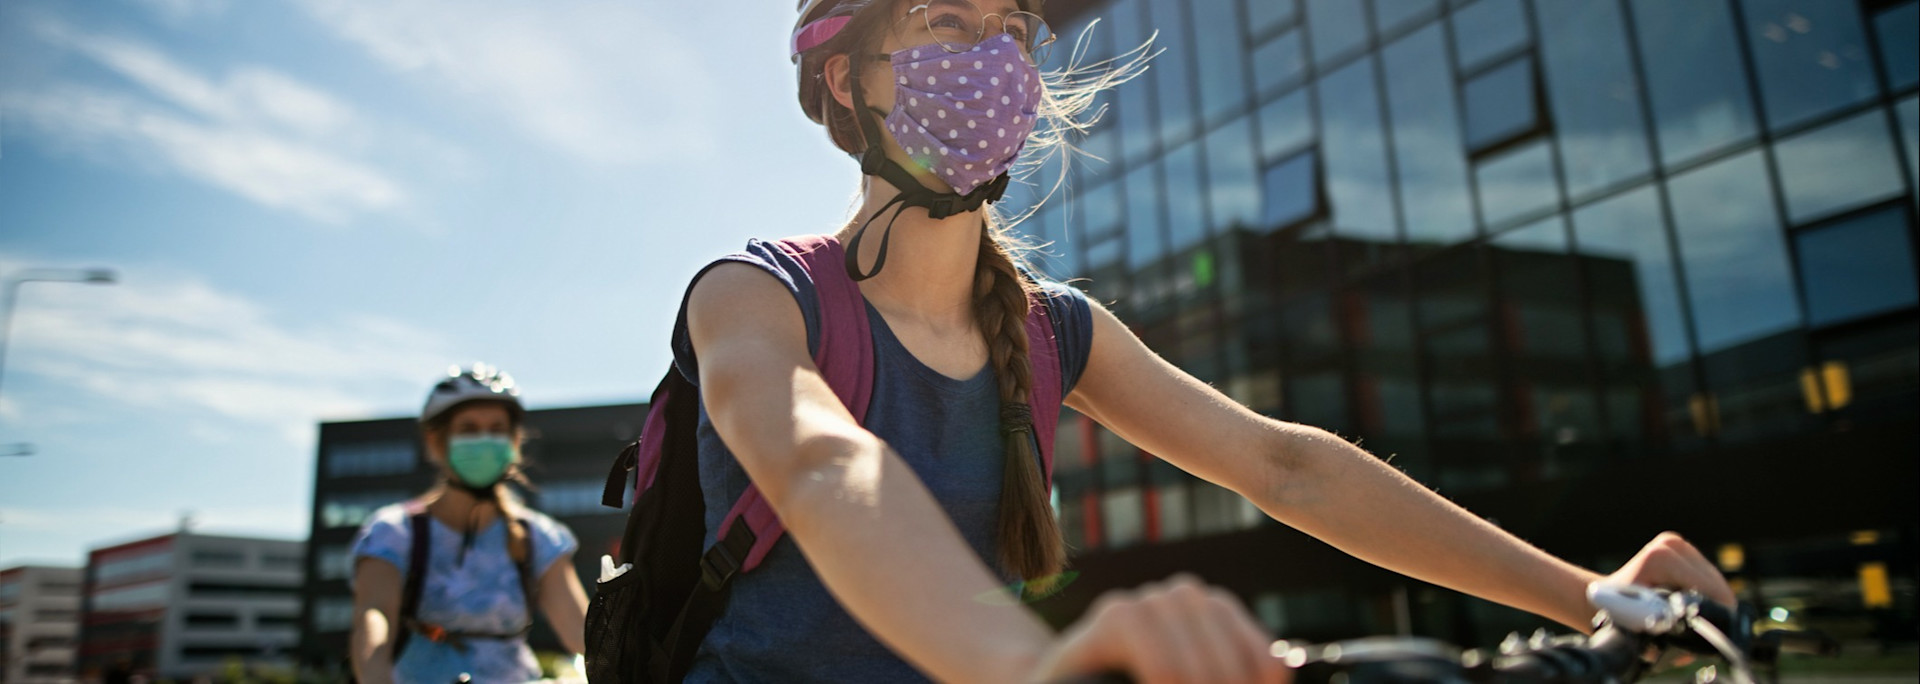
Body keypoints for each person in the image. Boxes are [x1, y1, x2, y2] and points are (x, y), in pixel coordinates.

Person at [671, 1, 1738, 681]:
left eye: (1011, 29)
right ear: (849, 79)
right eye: (947, 23)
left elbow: (1284, 465)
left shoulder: (1058, 334)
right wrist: (1025, 666)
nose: (993, 59)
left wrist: (1605, 597)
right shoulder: (758, 294)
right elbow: (821, 462)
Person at [349, 364, 590, 684]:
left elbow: (584, 633)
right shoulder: (393, 533)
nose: (485, 439)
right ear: (436, 441)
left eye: (497, 429)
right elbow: (376, 615)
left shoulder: (539, 537)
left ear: (514, 441)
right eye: (469, 429)